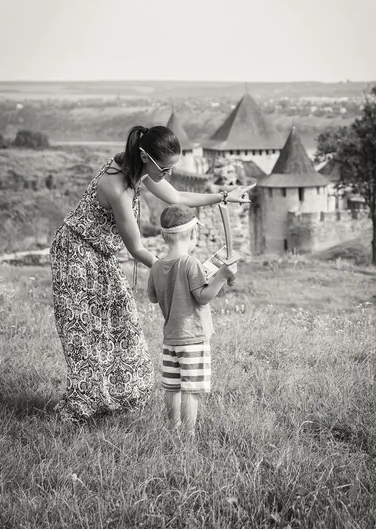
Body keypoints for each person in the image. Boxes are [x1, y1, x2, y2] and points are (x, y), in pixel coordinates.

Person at [50, 125, 252, 422]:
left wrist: (224, 195)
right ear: (145, 156)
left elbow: (177, 197)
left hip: (100, 253)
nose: (168, 174)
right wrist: (174, 269)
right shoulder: (116, 187)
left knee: (122, 322)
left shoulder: (139, 168)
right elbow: (136, 248)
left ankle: (113, 398)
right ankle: (85, 402)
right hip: (76, 255)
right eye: (165, 169)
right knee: (86, 332)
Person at [147, 203, 238, 436]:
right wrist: (222, 276)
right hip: (193, 338)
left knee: (172, 387)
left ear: (165, 236)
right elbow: (204, 296)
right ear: (193, 234)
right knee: (190, 390)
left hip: (170, 339)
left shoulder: (156, 265)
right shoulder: (191, 263)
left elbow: (153, 297)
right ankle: (188, 435)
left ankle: (173, 427)